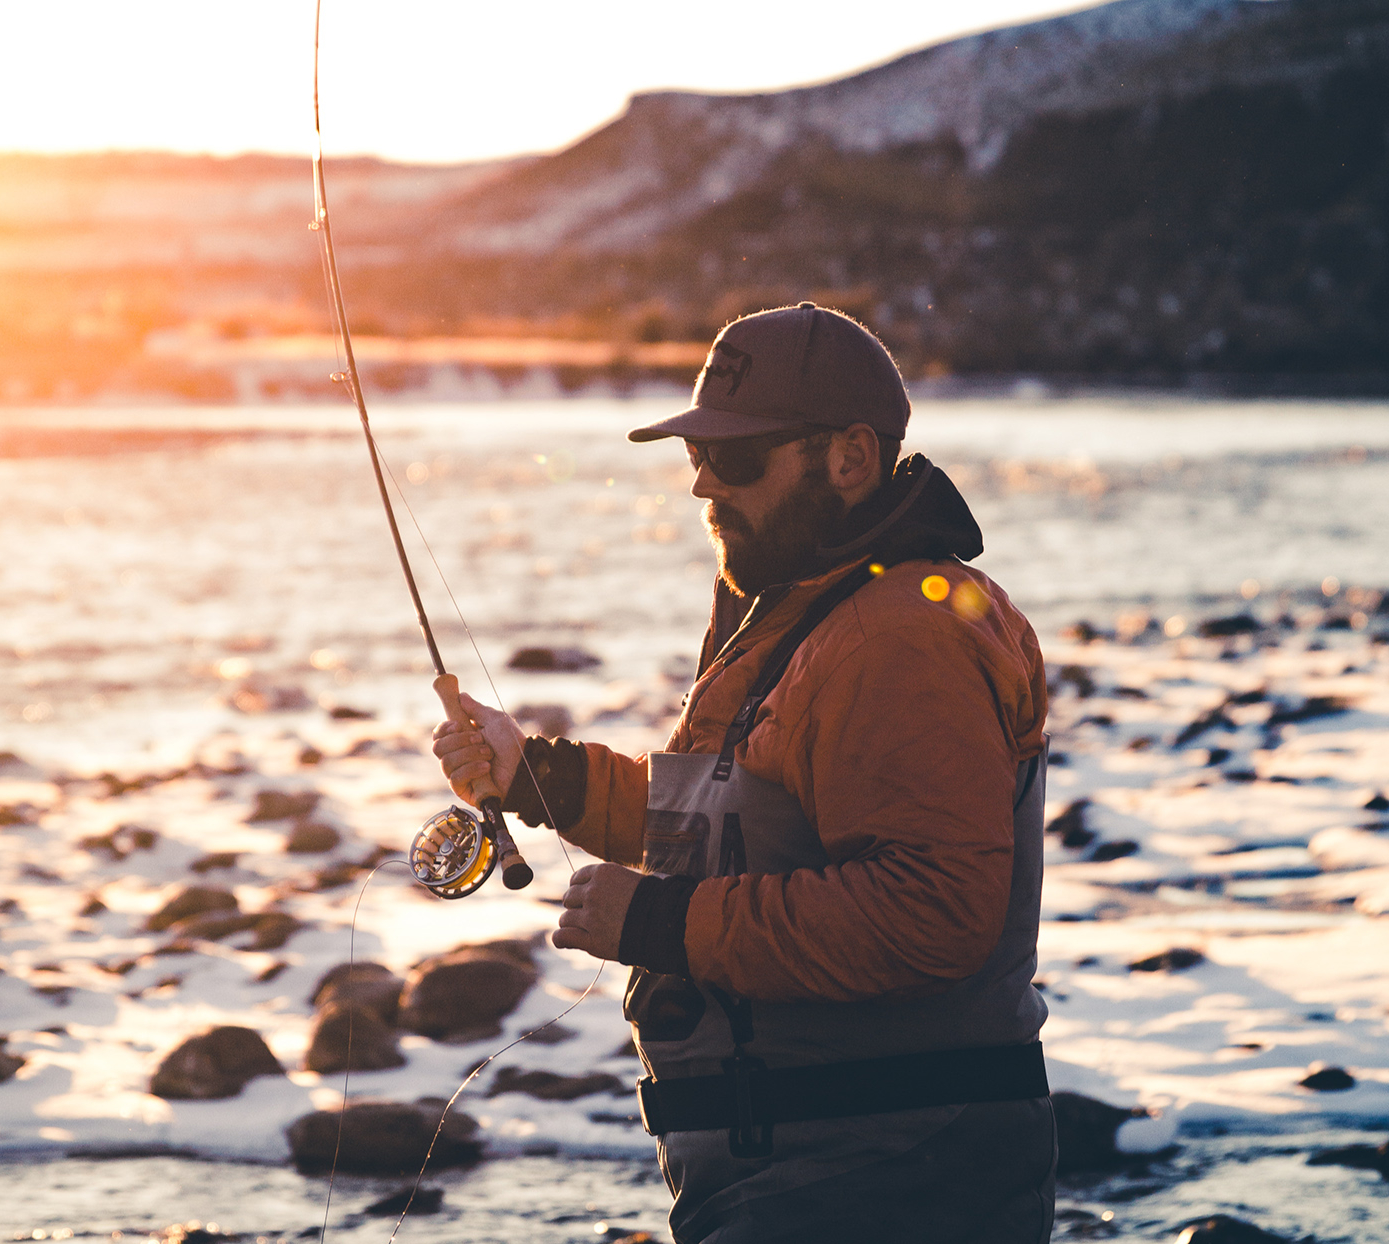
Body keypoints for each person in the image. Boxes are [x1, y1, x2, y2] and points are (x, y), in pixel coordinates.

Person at [433, 302, 1054, 1243]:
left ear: (849, 458)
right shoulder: (800, 605)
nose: (702, 487)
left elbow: (933, 914)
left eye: (737, 458)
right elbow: (732, 817)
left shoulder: (904, 638)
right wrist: (533, 778)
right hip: (808, 1173)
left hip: (886, 1180)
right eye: (696, 457)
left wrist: (655, 922)